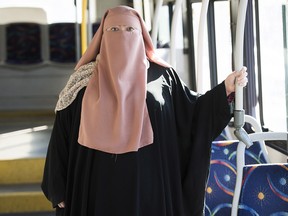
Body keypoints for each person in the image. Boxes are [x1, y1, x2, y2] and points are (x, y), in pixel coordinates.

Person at [41, 5, 248, 216]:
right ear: (102, 35)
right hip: (94, 192)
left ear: (141, 34)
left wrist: (226, 89)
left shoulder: (163, 77)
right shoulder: (81, 81)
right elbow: (61, 136)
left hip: (152, 191)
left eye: (130, 29)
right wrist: (58, 188)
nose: (122, 35)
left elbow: (192, 115)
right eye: (114, 29)